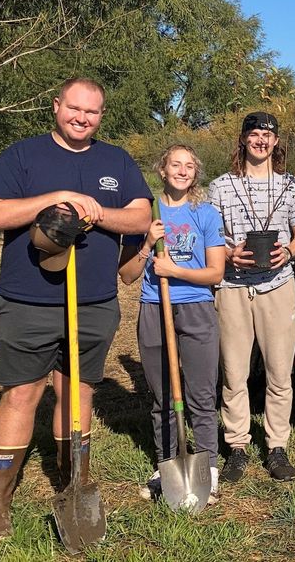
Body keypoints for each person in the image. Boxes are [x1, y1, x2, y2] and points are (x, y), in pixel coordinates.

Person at [0, 78, 152, 540]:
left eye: (92, 112)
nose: (82, 118)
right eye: (74, 108)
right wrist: (54, 201)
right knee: (21, 393)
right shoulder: (22, 155)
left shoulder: (115, 159)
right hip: (28, 300)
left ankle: (74, 482)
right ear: (56, 106)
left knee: (78, 392)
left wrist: (94, 212)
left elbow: (140, 216)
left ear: (101, 115)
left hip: (94, 301)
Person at [118, 145, 224, 502]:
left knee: (202, 393)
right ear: (161, 170)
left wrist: (174, 270)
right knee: (161, 395)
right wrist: (147, 243)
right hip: (154, 306)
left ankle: (207, 468)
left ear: (196, 173)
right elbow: (128, 276)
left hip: (196, 307)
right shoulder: (144, 214)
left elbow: (216, 272)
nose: (182, 171)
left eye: (189, 166)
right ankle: (166, 463)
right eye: (175, 165)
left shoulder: (206, 214)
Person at [208, 112, 295, 483]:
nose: (261, 140)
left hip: (278, 286)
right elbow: (211, 237)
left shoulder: (291, 186)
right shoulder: (220, 187)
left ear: (276, 142)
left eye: (268, 135)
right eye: (254, 134)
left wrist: (291, 252)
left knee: (280, 372)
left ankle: (276, 447)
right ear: (243, 140)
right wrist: (228, 254)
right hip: (233, 288)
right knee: (234, 372)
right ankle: (236, 446)